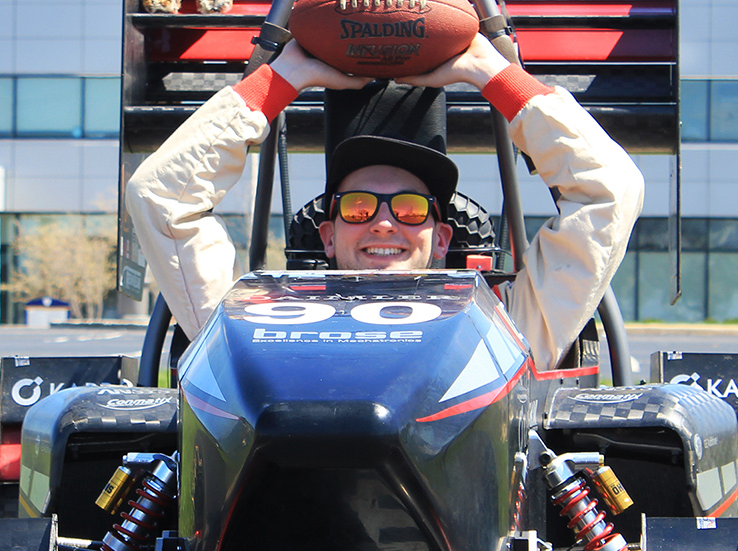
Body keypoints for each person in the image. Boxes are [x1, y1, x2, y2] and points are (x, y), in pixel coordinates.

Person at [126, 34, 644, 371]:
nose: (382, 223)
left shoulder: (510, 326)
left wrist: (495, 75)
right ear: (327, 235)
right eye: (356, 208)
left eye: (410, 210)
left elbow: (611, 193)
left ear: (442, 237)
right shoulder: (254, 324)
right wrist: (277, 82)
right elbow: (161, 195)